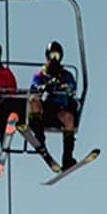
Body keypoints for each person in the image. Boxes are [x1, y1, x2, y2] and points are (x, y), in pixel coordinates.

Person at [29, 40, 78, 170]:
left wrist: (59, 86)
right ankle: (40, 140)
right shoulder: (40, 75)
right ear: (47, 56)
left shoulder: (66, 75)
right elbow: (33, 88)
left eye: (57, 56)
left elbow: (72, 89)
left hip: (58, 110)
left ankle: (67, 156)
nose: (54, 59)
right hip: (44, 110)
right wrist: (44, 87)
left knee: (69, 118)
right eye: (51, 56)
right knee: (33, 100)